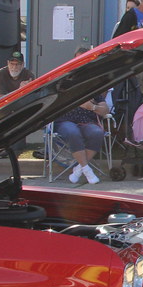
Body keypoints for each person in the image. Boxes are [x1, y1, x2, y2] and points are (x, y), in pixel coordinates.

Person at [54, 48, 109, 185]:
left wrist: (92, 107)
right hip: (65, 120)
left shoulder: (92, 83)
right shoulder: (63, 80)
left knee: (97, 133)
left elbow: (105, 109)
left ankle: (79, 170)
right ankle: (87, 170)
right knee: (73, 133)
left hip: (86, 120)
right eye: (79, 60)